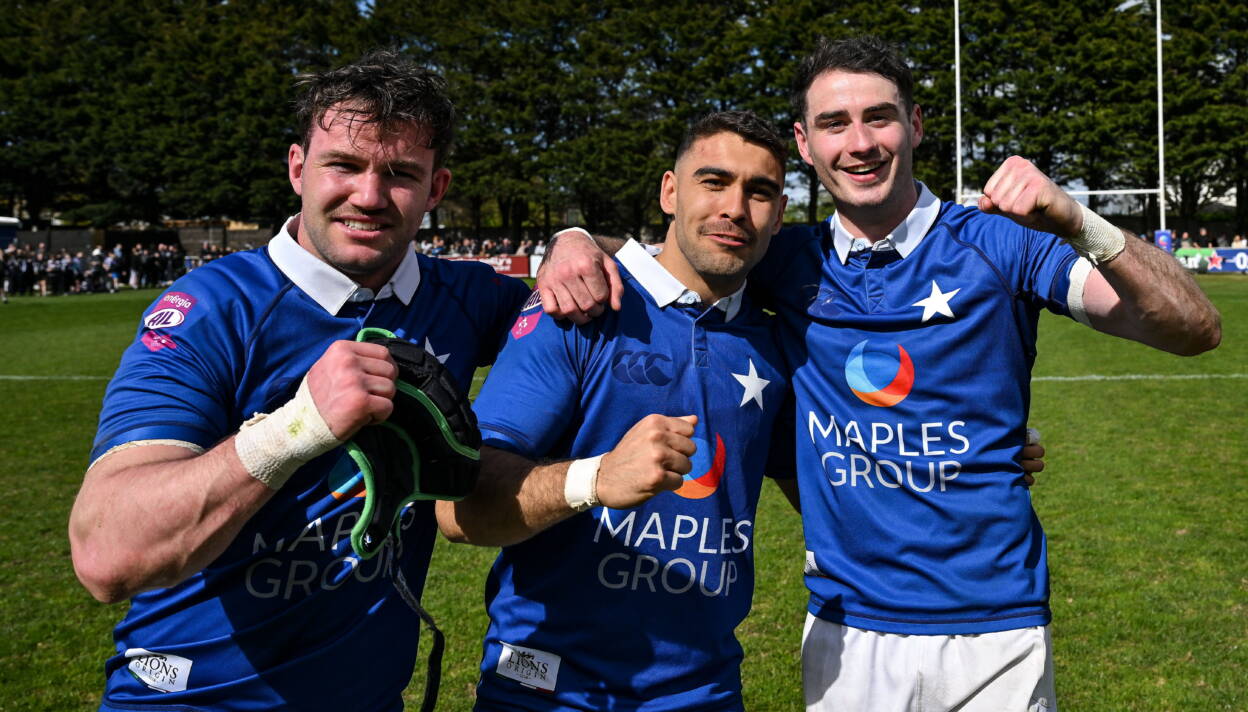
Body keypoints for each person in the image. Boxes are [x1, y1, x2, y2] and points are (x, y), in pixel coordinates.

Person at [538, 35, 1219, 712]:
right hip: (844, 627)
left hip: (995, 628)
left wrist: (1075, 219)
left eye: (879, 117)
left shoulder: (1000, 242)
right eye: (835, 124)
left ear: (914, 125)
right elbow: (663, 252)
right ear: (805, 145)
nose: (859, 142)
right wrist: (569, 240)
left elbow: (1191, 328)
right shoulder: (787, 258)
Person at [68, 50, 536, 710]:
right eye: (343, 165)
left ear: (437, 189)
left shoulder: (466, 298)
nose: (368, 196)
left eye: (400, 174)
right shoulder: (213, 310)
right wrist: (295, 428)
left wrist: (574, 238)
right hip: (190, 700)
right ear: (297, 168)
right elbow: (106, 556)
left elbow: (574, 318)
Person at [438, 111, 799, 711]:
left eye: (759, 192)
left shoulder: (778, 343)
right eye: (713, 182)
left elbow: (833, 494)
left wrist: (987, 458)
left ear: (779, 214)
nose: (736, 207)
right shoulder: (580, 307)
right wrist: (595, 478)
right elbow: (459, 508)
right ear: (669, 191)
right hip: (549, 690)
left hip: (706, 692)